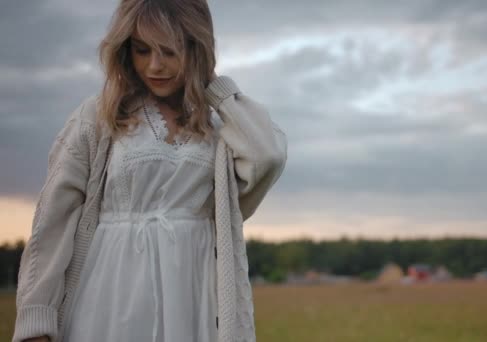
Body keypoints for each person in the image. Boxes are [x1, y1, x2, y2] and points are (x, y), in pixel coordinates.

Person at [13, 0, 287, 341]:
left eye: (169, 52)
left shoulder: (220, 127)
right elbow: (53, 221)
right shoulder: (98, 117)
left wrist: (216, 90)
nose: (155, 66)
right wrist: (36, 320)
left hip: (193, 293)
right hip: (109, 293)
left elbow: (268, 157)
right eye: (143, 51)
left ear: (195, 49)